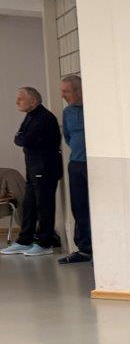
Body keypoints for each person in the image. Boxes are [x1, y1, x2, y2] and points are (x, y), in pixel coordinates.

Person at [2, 87, 63, 257]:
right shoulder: (30, 116)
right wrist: (22, 138)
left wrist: (22, 138)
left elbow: (25, 139)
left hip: (45, 167)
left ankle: (45, 243)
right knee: (29, 205)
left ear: (33, 101)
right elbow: (18, 138)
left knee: (44, 205)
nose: (17, 102)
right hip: (32, 167)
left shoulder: (44, 118)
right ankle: (24, 240)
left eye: (20, 99)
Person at [57, 75, 92, 265]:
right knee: (79, 207)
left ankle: (101, 249)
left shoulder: (93, 109)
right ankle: (84, 249)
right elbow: (68, 137)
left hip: (92, 164)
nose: (63, 95)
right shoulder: (68, 112)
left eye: (66, 91)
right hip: (76, 163)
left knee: (96, 206)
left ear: (79, 90)